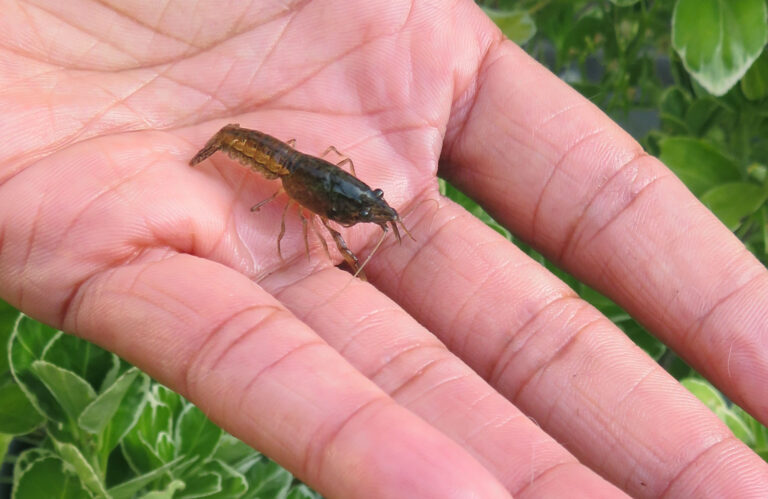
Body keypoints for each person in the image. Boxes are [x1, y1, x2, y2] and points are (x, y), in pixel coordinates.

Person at [1, 1, 766, 497]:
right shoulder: (286, 177)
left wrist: (371, 207)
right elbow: (308, 195)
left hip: (294, 163)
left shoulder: (346, 192)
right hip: (266, 156)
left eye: (366, 206)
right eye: (364, 206)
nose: (369, 211)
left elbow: (342, 190)